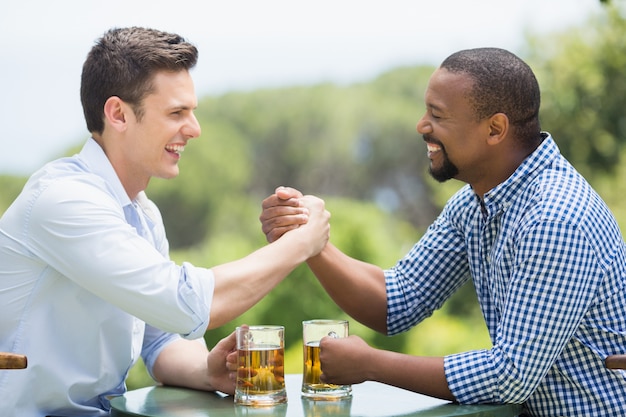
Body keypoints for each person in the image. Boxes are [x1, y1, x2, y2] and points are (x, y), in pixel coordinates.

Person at [259, 48, 626, 416]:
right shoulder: (475, 203)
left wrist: (371, 365)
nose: (421, 125)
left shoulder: (554, 219)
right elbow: (398, 301)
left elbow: (509, 376)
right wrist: (310, 241)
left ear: (495, 129)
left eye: (437, 115)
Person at [0, 27, 329, 417]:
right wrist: (300, 245)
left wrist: (206, 372)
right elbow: (184, 302)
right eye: (176, 113)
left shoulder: (141, 212)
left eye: (192, 111)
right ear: (118, 114)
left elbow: (161, 337)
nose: (194, 129)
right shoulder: (64, 201)